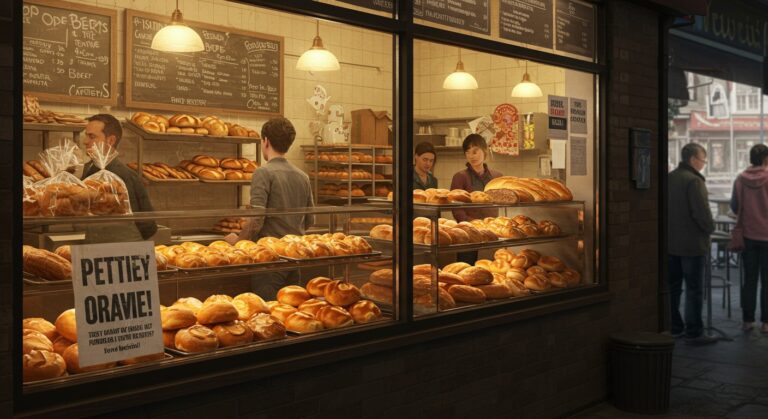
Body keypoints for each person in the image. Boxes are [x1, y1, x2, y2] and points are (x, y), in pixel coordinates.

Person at [225, 117, 314, 297]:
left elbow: (257, 218)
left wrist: (239, 242)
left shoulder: (263, 172)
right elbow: (310, 220)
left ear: (266, 141)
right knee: (289, 308)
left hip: (269, 259)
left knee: (268, 312)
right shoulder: (302, 176)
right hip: (295, 256)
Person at [81, 114, 157, 242]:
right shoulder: (88, 170)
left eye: (92, 136)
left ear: (110, 140)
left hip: (123, 252)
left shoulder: (124, 176)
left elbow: (147, 224)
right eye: (86, 135)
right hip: (95, 249)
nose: (85, 141)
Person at [668, 143, 716, 345]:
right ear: (694, 160)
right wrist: (711, 227)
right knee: (694, 289)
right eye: (703, 161)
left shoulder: (669, 178)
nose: (704, 165)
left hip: (670, 244)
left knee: (672, 288)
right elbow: (702, 214)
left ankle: (674, 326)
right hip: (692, 245)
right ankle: (694, 330)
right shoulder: (694, 181)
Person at [729, 144, 768, 333]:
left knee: (749, 280)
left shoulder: (739, 179)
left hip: (747, 236)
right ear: (766, 159)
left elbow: (735, 206)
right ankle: (766, 323)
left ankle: (747, 320)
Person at [450, 134, 502, 264]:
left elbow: (501, 204)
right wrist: (473, 226)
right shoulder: (460, 177)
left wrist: (493, 226)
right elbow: (457, 209)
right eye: (467, 152)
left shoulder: (497, 176)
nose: (471, 156)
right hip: (468, 234)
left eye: (475, 151)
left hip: (492, 232)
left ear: (484, 150)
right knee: (467, 271)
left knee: (492, 269)